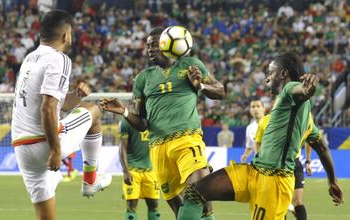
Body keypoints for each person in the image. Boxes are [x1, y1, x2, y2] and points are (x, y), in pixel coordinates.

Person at [177, 52, 343, 220]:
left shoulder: (289, 89)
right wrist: (332, 181)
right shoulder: (304, 118)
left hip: (274, 183)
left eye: (271, 72)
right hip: (253, 172)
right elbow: (322, 148)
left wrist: (308, 89)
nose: (267, 78)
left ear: (283, 73)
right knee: (195, 192)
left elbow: (300, 91)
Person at [101, 27, 225, 219]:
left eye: (155, 44)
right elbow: (142, 124)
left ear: (168, 44)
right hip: (157, 148)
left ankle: (208, 214)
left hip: (186, 139)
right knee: (178, 207)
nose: (149, 49)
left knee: (200, 185)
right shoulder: (143, 79)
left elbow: (220, 91)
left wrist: (200, 85)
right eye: (147, 45)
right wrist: (124, 111)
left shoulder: (190, 65)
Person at [11, 10, 111, 220]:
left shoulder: (30, 58)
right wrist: (56, 150)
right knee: (94, 110)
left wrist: (76, 95)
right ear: (66, 35)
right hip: (44, 143)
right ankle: (90, 180)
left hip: (21, 148)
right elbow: (47, 108)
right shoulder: (59, 59)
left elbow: (56, 105)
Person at [255, 113, 315, 220]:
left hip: (294, 163)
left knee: (298, 201)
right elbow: (258, 142)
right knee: (279, 203)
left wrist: (308, 161)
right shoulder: (265, 121)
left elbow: (310, 139)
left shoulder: (302, 117)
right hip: (275, 166)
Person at [119, 117, 161, 220]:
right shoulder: (126, 121)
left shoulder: (155, 119)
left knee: (154, 206)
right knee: (131, 208)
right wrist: (126, 171)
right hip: (132, 170)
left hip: (151, 170)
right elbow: (122, 147)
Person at [240, 98, 265, 162]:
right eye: (253, 107)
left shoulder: (271, 123)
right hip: (259, 162)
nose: (255, 109)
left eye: (258, 106)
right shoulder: (249, 128)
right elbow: (250, 146)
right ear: (250, 110)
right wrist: (245, 155)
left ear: (263, 109)